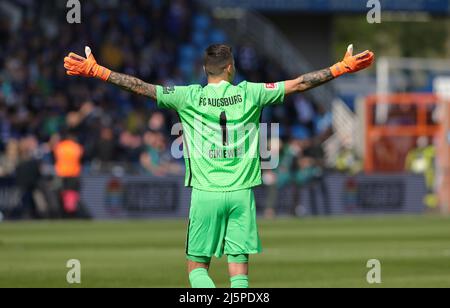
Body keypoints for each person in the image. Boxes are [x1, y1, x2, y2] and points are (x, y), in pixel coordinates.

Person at [64, 44, 374, 288]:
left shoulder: (187, 96)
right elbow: (301, 83)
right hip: (241, 194)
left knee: (197, 267)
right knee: (239, 268)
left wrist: (98, 71)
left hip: (205, 193)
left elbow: (140, 87)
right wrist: (340, 68)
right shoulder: (250, 92)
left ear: (204, 70)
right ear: (230, 67)